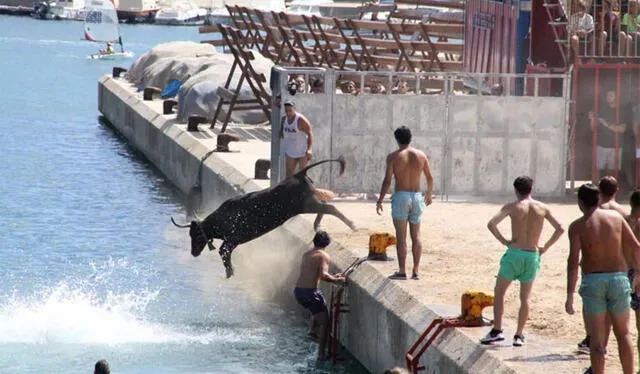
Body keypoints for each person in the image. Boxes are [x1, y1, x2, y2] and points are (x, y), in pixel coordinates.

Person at [480, 176, 564, 347]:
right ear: (531, 189)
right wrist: (545, 247)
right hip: (532, 254)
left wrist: (504, 241)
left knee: (500, 292)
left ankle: (497, 330)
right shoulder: (542, 207)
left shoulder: (512, 206)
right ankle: (519, 335)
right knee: (525, 298)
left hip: (514, 253)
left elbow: (492, 224)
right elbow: (560, 228)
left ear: (516, 190)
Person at [566, 183, 640, 374]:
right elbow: (636, 246)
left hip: (594, 282)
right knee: (624, 335)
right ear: (598, 199)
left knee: (597, 342)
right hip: (618, 279)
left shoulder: (577, 226)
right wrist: (638, 273)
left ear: (580, 203)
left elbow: (573, 262)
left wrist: (570, 295)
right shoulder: (616, 218)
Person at [376, 126, 434, 280]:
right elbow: (429, 177)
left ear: (397, 139)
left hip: (401, 196)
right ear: (410, 138)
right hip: (416, 196)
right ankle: (416, 271)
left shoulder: (393, 157)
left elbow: (387, 181)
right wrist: (429, 193)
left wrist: (380, 199)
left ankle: (402, 271)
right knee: (416, 235)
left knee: (401, 237)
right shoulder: (421, 155)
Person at [293, 230, 345, 360]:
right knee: (325, 322)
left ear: (314, 241)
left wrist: (332, 276)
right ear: (327, 243)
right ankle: (321, 354)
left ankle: (312, 330)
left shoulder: (306, 254)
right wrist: (336, 280)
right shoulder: (323, 255)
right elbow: (323, 276)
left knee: (319, 306)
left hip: (298, 291)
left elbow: (312, 272)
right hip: (310, 292)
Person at [589, 90, 626, 178]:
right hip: (601, 146)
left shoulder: (621, 111)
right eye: (607, 95)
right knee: (597, 171)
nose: (608, 97)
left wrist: (606, 124)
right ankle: (596, 190)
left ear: (617, 97)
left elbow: (622, 129)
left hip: (616, 147)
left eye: (611, 95)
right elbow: (593, 129)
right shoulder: (602, 110)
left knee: (613, 173)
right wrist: (592, 120)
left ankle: (610, 190)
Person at [280, 100, 313, 177]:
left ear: (294, 109)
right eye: (286, 111)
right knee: (289, 175)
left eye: (290, 111)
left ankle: (305, 189)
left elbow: (310, 133)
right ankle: (290, 189)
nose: (288, 113)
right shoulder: (284, 119)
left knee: (303, 175)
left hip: (302, 152)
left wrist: (309, 149)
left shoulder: (301, 120)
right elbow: (282, 131)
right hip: (290, 151)